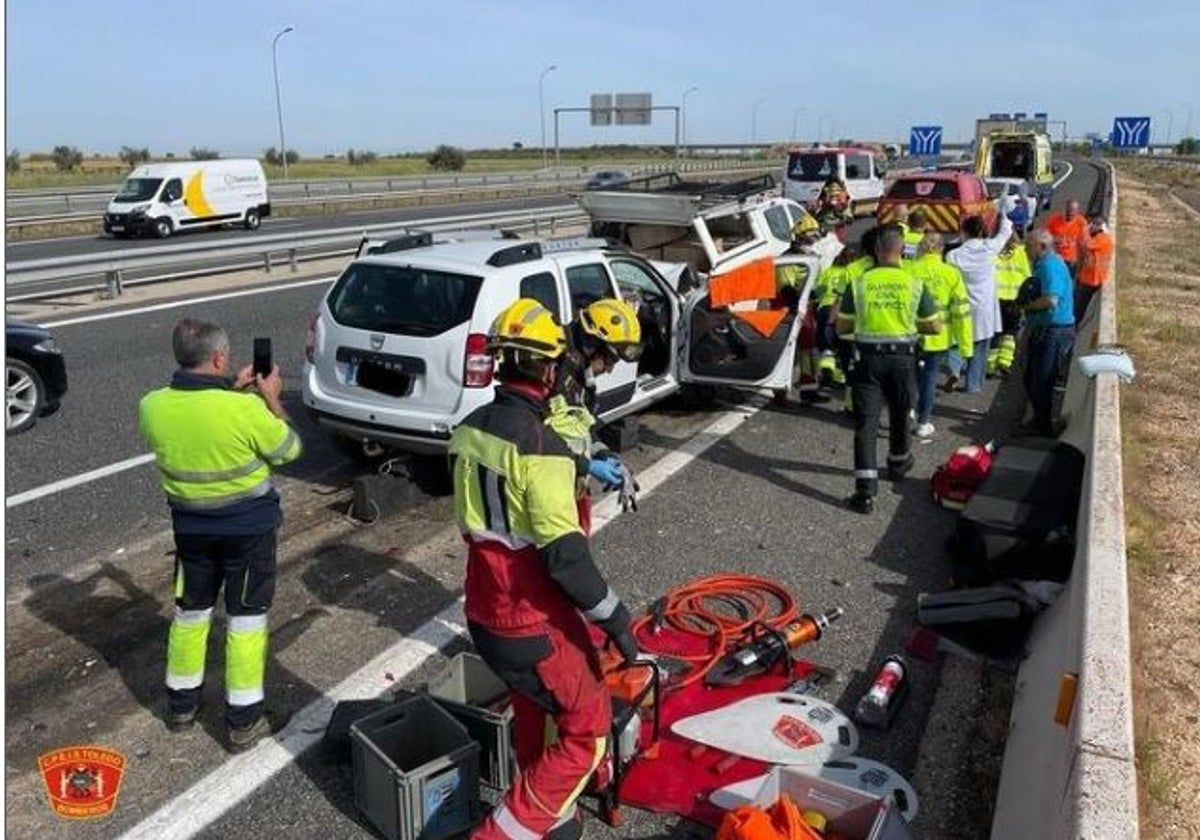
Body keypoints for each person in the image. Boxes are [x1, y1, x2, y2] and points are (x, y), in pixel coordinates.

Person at [451, 299, 638, 840]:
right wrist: (618, 620)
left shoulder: (467, 432)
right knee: (587, 728)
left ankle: (551, 807)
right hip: (529, 616)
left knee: (534, 701)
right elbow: (566, 559)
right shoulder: (543, 450)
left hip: (484, 609)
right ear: (551, 371)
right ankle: (504, 833)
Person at [138, 319, 302, 750]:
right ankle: (244, 720)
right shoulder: (244, 410)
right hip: (247, 533)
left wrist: (232, 391)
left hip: (191, 532)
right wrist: (270, 399)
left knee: (191, 614)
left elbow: (200, 423)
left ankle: (180, 706)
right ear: (218, 358)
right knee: (246, 621)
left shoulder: (152, 405)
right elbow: (289, 450)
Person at [837, 225, 942, 513]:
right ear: (902, 251)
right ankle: (897, 464)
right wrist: (908, 324)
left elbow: (842, 326)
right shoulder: (914, 283)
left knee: (866, 424)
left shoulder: (859, 283)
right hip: (903, 360)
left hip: (867, 360)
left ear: (877, 251)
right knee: (900, 413)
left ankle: (865, 493)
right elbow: (934, 326)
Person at [550, 297, 643, 532]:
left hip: (568, 483)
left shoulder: (580, 373)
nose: (610, 369)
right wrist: (586, 465)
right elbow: (538, 439)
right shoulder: (554, 373)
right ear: (592, 343)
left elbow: (584, 425)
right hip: (547, 490)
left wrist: (604, 455)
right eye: (611, 359)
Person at [906, 232, 972, 439]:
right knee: (929, 379)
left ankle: (908, 409)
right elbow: (961, 312)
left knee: (910, 377)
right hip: (938, 336)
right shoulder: (951, 273)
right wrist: (965, 346)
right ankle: (923, 422)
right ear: (941, 249)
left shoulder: (908, 270)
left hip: (909, 334)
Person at [946, 213, 1014, 393]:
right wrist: (1003, 217)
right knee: (980, 345)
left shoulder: (953, 256)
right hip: (984, 308)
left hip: (962, 304)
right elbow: (1005, 233)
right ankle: (973, 385)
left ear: (964, 232)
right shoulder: (990, 249)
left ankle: (954, 369)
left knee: (956, 341)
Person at [1022, 230, 1076, 436]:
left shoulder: (1049, 266)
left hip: (1054, 331)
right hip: (1049, 329)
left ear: (1042, 247)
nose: (1026, 250)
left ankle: (1043, 427)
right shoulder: (1046, 263)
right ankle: (1039, 420)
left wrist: (1027, 306)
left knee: (1041, 380)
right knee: (1032, 378)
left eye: (1029, 246)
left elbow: (1050, 300)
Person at [989, 228, 1032, 376]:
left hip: (995, 299)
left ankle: (990, 366)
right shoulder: (1021, 252)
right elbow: (1027, 276)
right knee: (1010, 333)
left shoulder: (993, 251)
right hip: (1014, 299)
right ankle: (1005, 361)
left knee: (995, 332)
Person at [1075, 216, 1114, 318]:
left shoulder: (1102, 238)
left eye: (1093, 225)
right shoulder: (1099, 237)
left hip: (1092, 279)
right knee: (1077, 306)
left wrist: (1085, 230)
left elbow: (1086, 244)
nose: (1091, 227)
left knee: (1078, 308)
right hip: (1088, 277)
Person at [1045, 199, 1088, 277]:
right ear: (1063, 210)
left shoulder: (1081, 223)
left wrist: (1082, 263)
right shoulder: (1054, 220)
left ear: (1077, 212)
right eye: (1067, 213)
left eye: (1072, 214)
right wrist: (1053, 240)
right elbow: (1045, 237)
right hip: (1056, 257)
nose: (1069, 216)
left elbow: (1084, 244)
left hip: (1071, 260)